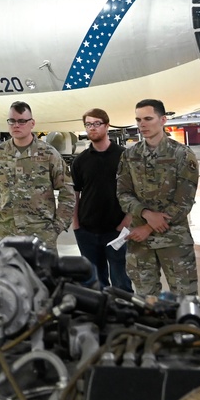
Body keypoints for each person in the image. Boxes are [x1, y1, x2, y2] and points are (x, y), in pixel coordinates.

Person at [116, 99, 199, 296]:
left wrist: (149, 226)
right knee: (146, 302)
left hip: (173, 240)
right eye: (138, 119)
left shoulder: (182, 155)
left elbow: (184, 201)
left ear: (162, 120)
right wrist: (145, 213)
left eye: (148, 118)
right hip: (140, 244)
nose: (142, 124)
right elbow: (122, 193)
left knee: (185, 300)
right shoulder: (130, 155)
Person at [0, 101, 74, 250]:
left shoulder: (49, 154)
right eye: (12, 121)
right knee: (7, 273)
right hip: (4, 234)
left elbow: (67, 193)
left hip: (41, 236)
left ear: (32, 123)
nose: (16, 125)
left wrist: (57, 227)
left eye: (22, 121)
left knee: (41, 274)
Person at [71, 108, 133, 291]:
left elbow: (136, 192)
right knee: (94, 284)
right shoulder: (80, 161)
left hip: (117, 231)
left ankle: (124, 316)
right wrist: (76, 225)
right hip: (87, 231)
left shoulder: (124, 157)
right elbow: (75, 194)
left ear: (106, 126)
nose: (92, 128)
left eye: (96, 124)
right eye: (88, 124)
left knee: (121, 281)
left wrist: (126, 223)